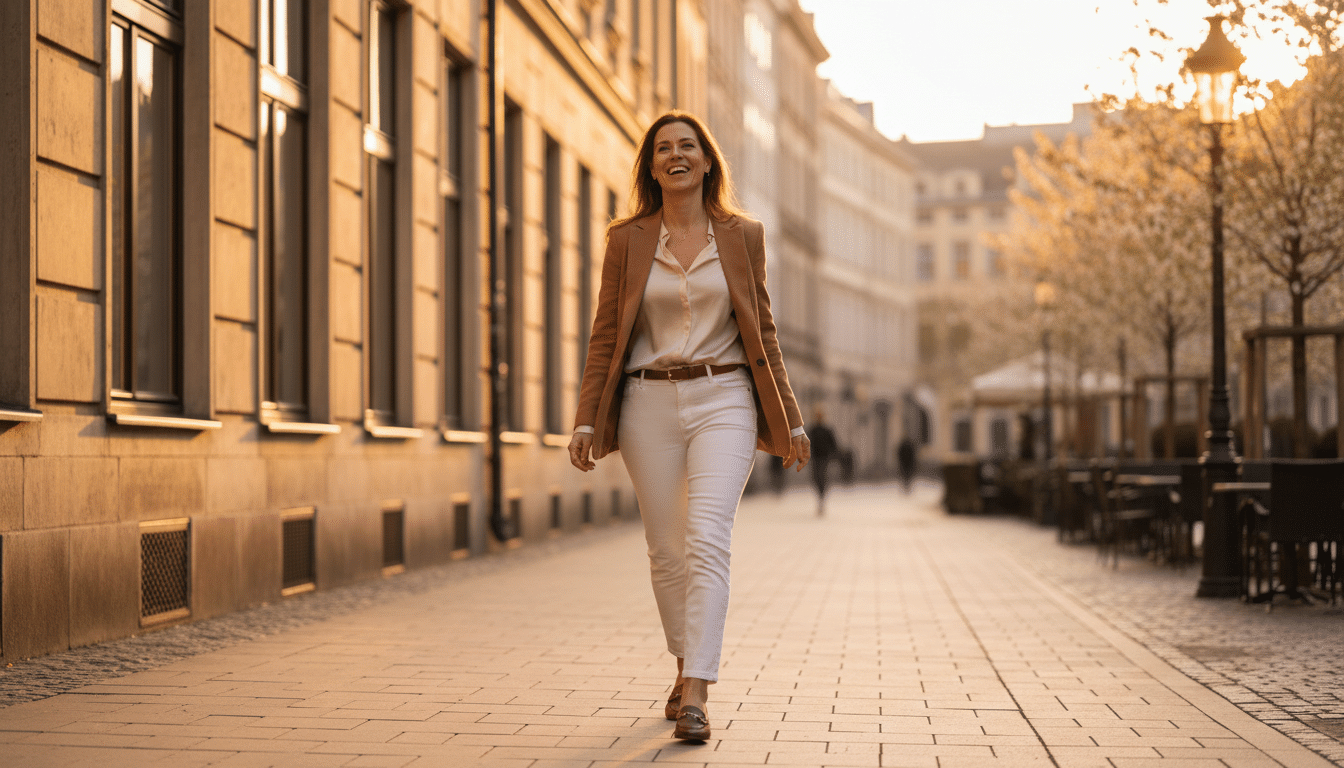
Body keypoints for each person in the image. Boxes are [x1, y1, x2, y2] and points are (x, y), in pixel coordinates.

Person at [568, 111, 809, 742]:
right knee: (666, 549)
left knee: (706, 536)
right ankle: (682, 667)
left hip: (724, 394)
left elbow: (764, 330)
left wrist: (790, 418)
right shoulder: (626, 240)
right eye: (663, 148)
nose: (676, 155)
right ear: (652, 166)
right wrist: (588, 419)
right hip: (647, 400)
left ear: (707, 161)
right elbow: (604, 336)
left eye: (688, 147)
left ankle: (698, 689)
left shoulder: (743, 234)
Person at [808, 406, 838, 515]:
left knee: (822, 478)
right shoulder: (812, 430)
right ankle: (820, 497)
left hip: (824, 459)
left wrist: (833, 456)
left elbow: (834, 445)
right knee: (816, 479)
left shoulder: (827, 430)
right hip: (815, 458)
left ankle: (821, 498)